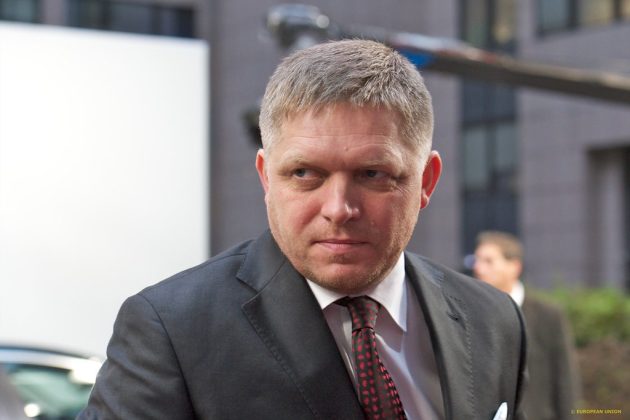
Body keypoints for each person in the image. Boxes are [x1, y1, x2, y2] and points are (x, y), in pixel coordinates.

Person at [80, 40, 526, 420]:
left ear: (426, 181)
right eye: (304, 173)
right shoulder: (172, 332)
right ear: (266, 179)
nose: (339, 209)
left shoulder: (494, 320)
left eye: (372, 174)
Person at [473, 231, 580, 420]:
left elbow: (565, 381)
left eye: (488, 261)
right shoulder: (469, 312)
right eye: (477, 260)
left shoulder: (548, 315)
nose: (478, 268)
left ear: (514, 267)